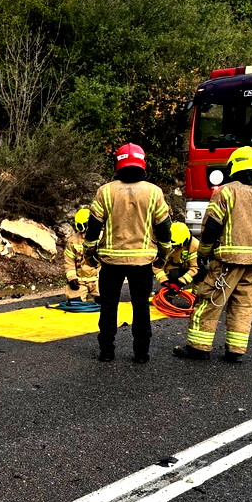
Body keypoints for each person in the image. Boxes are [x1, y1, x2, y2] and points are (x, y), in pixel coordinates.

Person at [174, 147, 252, 362]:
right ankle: (235, 351)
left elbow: (212, 227)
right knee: (244, 306)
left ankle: (198, 347)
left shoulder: (225, 192)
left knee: (210, 302)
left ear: (234, 167)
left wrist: (204, 253)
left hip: (227, 262)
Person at [83, 143, 172, 363]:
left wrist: (89, 251)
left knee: (109, 306)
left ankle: (106, 352)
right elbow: (164, 228)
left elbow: (94, 226)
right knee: (141, 306)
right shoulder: (154, 192)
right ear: (142, 163)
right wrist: (164, 253)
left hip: (111, 262)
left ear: (118, 163)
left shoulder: (106, 191)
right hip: (142, 262)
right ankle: (141, 353)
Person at [154, 221, 200, 303]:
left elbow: (195, 267)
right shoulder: (166, 244)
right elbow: (157, 265)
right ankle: (169, 296)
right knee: (173, 274)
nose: (175, 248)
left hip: (190, 269)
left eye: (177, 246)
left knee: (203, 270)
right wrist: (164, 280)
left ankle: (196, 296)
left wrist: (181, 282)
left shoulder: (195, 246)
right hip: (174, 266)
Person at [62, 209, 101, 303]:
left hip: (99, 280)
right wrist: (72, 279)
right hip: (80, 281)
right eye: (81, 227)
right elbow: (69, 262)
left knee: (106, 303)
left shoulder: (101, 239)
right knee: (75, 303)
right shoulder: (73, 241)